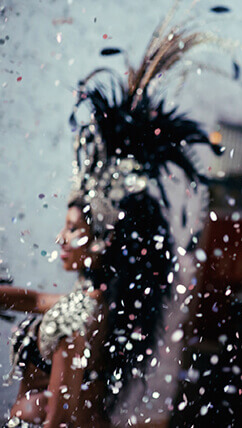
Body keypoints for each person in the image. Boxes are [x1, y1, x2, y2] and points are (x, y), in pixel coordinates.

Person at [0, 18, 220, 428]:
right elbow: (29, 300)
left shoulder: (86, 313)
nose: (61, 239)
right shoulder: (92, 303)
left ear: (104, 241)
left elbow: (64, 420)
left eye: (73, 228)